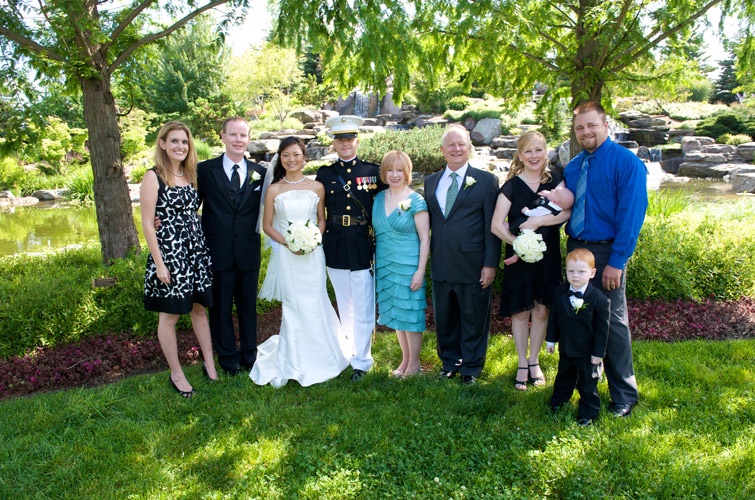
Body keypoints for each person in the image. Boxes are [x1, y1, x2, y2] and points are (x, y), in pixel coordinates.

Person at [563, 101, 648, 418]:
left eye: (591, 125)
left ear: (605, 125)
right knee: (580, 319)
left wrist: (617, 261)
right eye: (579, 127)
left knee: (612, 322)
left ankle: (624, 394)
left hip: (606, 253)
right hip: (576, 250)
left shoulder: (627, 163)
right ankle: (587, 386)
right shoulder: (573, 167)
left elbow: (632, 216)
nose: (585, 131)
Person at [250, 137, 351, 387]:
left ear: (304, 157)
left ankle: (325, 356)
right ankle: (294, 361)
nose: (291, 160)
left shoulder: (317, 187)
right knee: (294, 304)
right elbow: (267, 226)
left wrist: (313, 239)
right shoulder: (274, 190)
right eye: (286, 155)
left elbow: (321, 219)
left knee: (317, 299)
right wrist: (289, 243)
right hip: (288, 255)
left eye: (296, 154)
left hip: (313, 254)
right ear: (280, 158)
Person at [141, 121, 218, 397]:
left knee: (199, 308)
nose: (180, 146)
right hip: (170, 253)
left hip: (195, 250)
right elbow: (147, 224)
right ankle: (176, 373)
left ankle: (210, 364)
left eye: (184, 142)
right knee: (170, 314)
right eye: (174, 141)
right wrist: (160, 264)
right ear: (162, 144)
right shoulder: (153, 176)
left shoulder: (191, 174)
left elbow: (192, 211)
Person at [491, 130, 571, 391]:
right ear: (520, 155)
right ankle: (522, 362)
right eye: (528, 151)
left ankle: (534, 360)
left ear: (546, 152)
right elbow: (496, 225)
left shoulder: (556, 180)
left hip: (548, 257)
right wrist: (519, 245)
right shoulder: (511, 186)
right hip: (519, 260)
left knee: (541, 310)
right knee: (520, 311)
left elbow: (566, 212)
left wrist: (539, 221)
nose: (534, 156)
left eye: (539, 150)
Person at [424, 123, 501, 385]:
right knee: (445, 318)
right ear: (442, 150)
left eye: (461, 144)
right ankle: (449, 362)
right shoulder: (430, 182)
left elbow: (492, 226)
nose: (456, 149)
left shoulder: (486, 181)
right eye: (451, 145)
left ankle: (471, 367)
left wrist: (490, 264)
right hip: (442, 262)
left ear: (469, 148)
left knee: (473, 317)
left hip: (473, 264)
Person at [316, 115, 387, 381]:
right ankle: (350, 350)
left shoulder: (373, 171)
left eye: (349, 139)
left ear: (357, 141)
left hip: (361, 242)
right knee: (344, 303)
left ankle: (363, 360)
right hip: (334, 242)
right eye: (340, 140)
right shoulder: (324, 174)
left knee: (363, 303)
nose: (345, 144)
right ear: (334, 144)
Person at [197, 117, 267, 376]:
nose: (239, 140)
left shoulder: (261, 173)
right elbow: (190, 205)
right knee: (220, 308)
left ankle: (249, 356)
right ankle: (228, 359)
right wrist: (161, 219)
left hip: (248, 251)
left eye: (243, 135)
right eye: (233, 134)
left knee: (248, 307)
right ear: (223, 136)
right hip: (218, 251)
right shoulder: (205, 170)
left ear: (248, 139)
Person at [373, 150, 430, 378]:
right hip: (386, 264)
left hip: (408, 264)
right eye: (390, 170)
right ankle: (405, 360)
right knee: (398, 313)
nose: (394, 175)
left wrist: (420, 271)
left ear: (407, 172)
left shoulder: (416, 200)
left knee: (410, 312)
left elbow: (425, 238)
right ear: (384, 173)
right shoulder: (378, 198)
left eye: (399, 170)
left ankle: (414, 364)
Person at [546, 249, 611, 426]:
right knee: (563, 376)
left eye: (581, 271)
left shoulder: (600, 300)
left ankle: (588, 413)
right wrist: (551, 340)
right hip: (566, 348)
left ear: (592, 273)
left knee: (587, 382)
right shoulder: (559, 293)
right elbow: (553, 319)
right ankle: (558, 403)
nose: (575, 276)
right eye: (571, 271)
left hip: (587, 351)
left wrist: (598, 353)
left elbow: (602, 330)